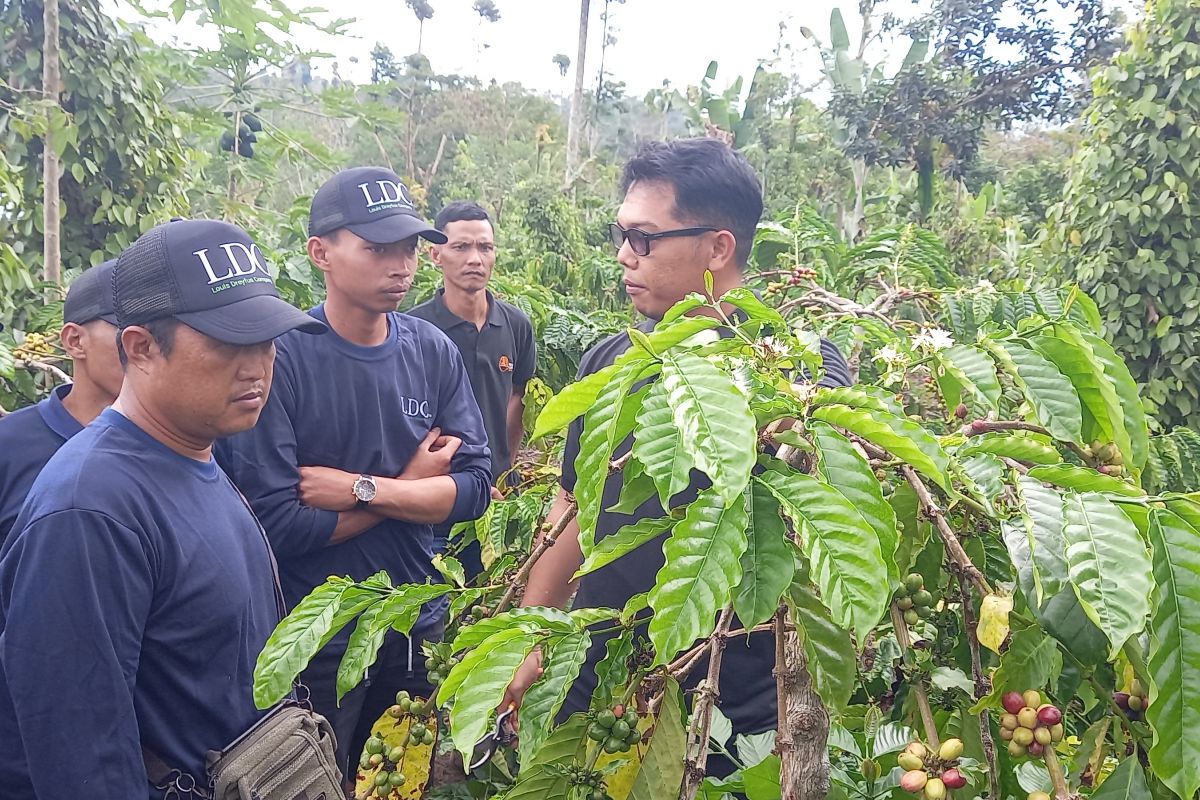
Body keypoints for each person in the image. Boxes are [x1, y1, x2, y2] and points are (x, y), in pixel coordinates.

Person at [503, 139, 853, 766]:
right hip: (599, 679)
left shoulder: (799, 366)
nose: (623, 256)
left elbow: (821, 526)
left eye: (644, 238)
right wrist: (531, 637)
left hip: (728, 701)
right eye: (622, 234)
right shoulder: (611, 362)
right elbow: (573, 507)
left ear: (718, 247)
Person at [0, 218, 327, 799]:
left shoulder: (198, 452)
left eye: (267, 340)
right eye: (229, 342)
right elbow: (84, 761)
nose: (257, 365)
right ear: (141, 347)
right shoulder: (90, 509)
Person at [217, 166, 493, 779]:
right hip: (317, 635)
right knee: (312, 779)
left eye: (408, 248)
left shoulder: (429, 350)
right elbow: (277, 523)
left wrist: (362, 489)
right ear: (321, 252)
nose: (401, 265)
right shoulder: (281, 358)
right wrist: (416, 484)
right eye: (376, 248)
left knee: (396, 780)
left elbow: (475, 487)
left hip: (413, 623)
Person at [407, 201, 536, 574]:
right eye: (461, 247)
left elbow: (516, 398)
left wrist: (504, 470)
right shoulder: (415, 330)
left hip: (495, 499)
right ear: (435, 255)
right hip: (435, 499)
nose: (475, 259)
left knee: (484, 604)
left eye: (485, 247)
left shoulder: (515, 325)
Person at [0, 259, 124, 543]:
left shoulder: (181, 443)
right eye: (126, 331)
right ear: (74, 341)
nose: (146, 345)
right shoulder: (8, 445)